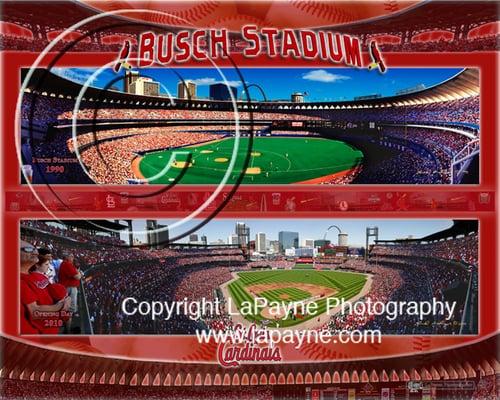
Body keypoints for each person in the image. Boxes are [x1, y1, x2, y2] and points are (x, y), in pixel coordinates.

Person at [20, 241, 70, 334]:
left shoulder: (37, 276)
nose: (35, 252)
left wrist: (66, 298)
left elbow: (54, 292)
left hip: (52, 328)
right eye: (28, 249)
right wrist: (61, 305)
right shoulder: (19, 281)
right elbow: (35, 312)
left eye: (35, 249)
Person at [58, 254, 82, 331]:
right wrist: (79, 273)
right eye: (71, 256)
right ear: (66, 257)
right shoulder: (67, 264)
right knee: (70, 310)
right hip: (70, 289)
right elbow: (78, 276)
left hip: (67, 288)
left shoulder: (66, 264)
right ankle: (67, 330)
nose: (73, 257)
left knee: (66, 309)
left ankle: (66, 326)